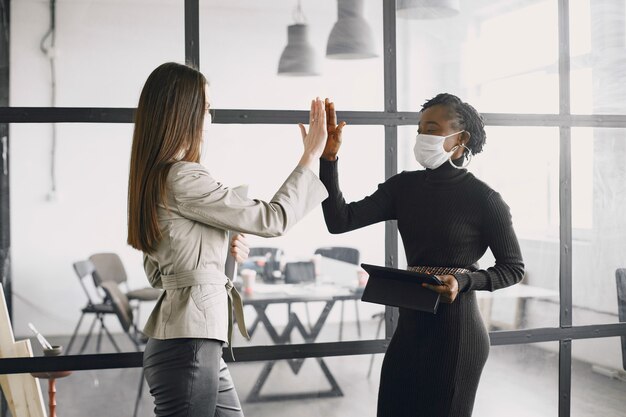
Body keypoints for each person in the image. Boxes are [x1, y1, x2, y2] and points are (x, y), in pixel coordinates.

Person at [126, 62, 329, 417]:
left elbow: (161, 274)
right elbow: (273, 218)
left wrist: (222, 250)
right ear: (183, 113)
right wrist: (311, 155)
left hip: (185, 343)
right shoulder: (183, 176)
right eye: (205, 108)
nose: (209, 119)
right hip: (188, 347)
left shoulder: (155, 178)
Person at [319, 94, 525, 417]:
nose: (421, 138)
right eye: (419, 130)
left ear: (461, 139)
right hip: (411, 328)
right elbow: (339, 220)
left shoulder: (485, 199)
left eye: (431, 129)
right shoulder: (403, 187)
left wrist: (463, 281)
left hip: (457, 335)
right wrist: (328, 160)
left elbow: (513, 268)